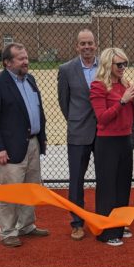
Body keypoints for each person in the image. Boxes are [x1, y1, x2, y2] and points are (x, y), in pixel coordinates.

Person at [0, 43, 50, 248]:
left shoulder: (30, 80)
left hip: (33, 143)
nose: (26, 62)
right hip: (9, 148)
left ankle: (27, 225)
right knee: (10, 192)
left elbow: (38, 110)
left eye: (26, 57)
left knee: (31, 187)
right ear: (7, 62)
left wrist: (42, 136)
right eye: (20, 59)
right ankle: (8, 231)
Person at [89, 47, 134, 247]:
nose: (123, 68)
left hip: (124, 139)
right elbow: (102, 118)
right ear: (108, 64)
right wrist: (122, 101)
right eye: (119, 64)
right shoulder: (98, 86)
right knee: (107, 187)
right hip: (107, 141)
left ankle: (119, 225)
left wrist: (133, 102)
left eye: (125, 64)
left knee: (122, 185)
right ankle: (106, 232)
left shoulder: (124, 84)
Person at [57, 29, 98, 241]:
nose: (87, 47)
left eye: (90, 43)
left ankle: (103, 220)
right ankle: (76, 223)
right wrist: (75, 119)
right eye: (83, 43)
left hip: (103, 131)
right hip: (78, 131)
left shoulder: (106, 66)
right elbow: (64, 101)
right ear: (77, 46)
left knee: (106, 179)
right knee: (76, 181)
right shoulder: (66, 69)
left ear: (95, 45)